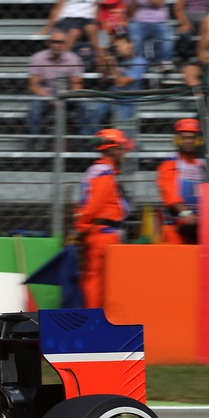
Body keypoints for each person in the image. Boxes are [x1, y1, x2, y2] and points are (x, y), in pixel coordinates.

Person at [73, 127, 130, 309]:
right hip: (103, 235)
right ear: (111, 149)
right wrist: (80, 229)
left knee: (99, 279)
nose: (124, 153)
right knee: (97, 280)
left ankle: (98, 319)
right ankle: (94, 319)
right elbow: (93, 207)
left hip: (102, 233)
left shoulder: (100, 170)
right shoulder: (103, 172)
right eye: (121, 148)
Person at [26, 33, 87, 148]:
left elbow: (77, 85)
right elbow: (33, 85)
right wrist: (49, 98)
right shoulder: (38, 58)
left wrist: (65, 97)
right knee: (35, 108)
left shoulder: (73, 59)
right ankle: (33, 142)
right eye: (54, 42)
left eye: (60, 42)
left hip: (67, 96)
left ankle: (83, 140)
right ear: (49, 43)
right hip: (46, 95)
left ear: (64, 44)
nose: (57, 45)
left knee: (82, 105)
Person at [156, 117, 203, 244]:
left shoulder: (204, 164)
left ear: (198, 140)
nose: (188, 141)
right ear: (177, 140)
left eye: (192, 138)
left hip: (201, 226)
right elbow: (170, 195)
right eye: (184, 138)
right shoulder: (170, 163)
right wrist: (185, 213)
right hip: (176, 227)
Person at [123, 0, 172, 70]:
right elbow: (130, 13)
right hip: (138, 22)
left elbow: (158, 4)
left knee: (167, 36)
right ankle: (137, 65)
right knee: (135, 37)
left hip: (159, 22)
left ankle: (165, 63)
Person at [93, 32, 146, 128]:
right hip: (112, 96)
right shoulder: (118, 59)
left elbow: (121, 83)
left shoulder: (139, 62)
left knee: (123, 128)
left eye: (120, 46)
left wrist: (113, 64)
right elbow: (104, 78)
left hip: (127, 100)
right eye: (116, 47)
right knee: (96, 114)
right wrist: (104, 59)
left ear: (130, 45)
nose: (118, 49)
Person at [172, 0, 209, 65]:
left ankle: (203, 57)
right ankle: (185, 58)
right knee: (184, 34)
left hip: (205, 21)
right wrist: (185, 23)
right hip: (189, 21)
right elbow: (178, 9)